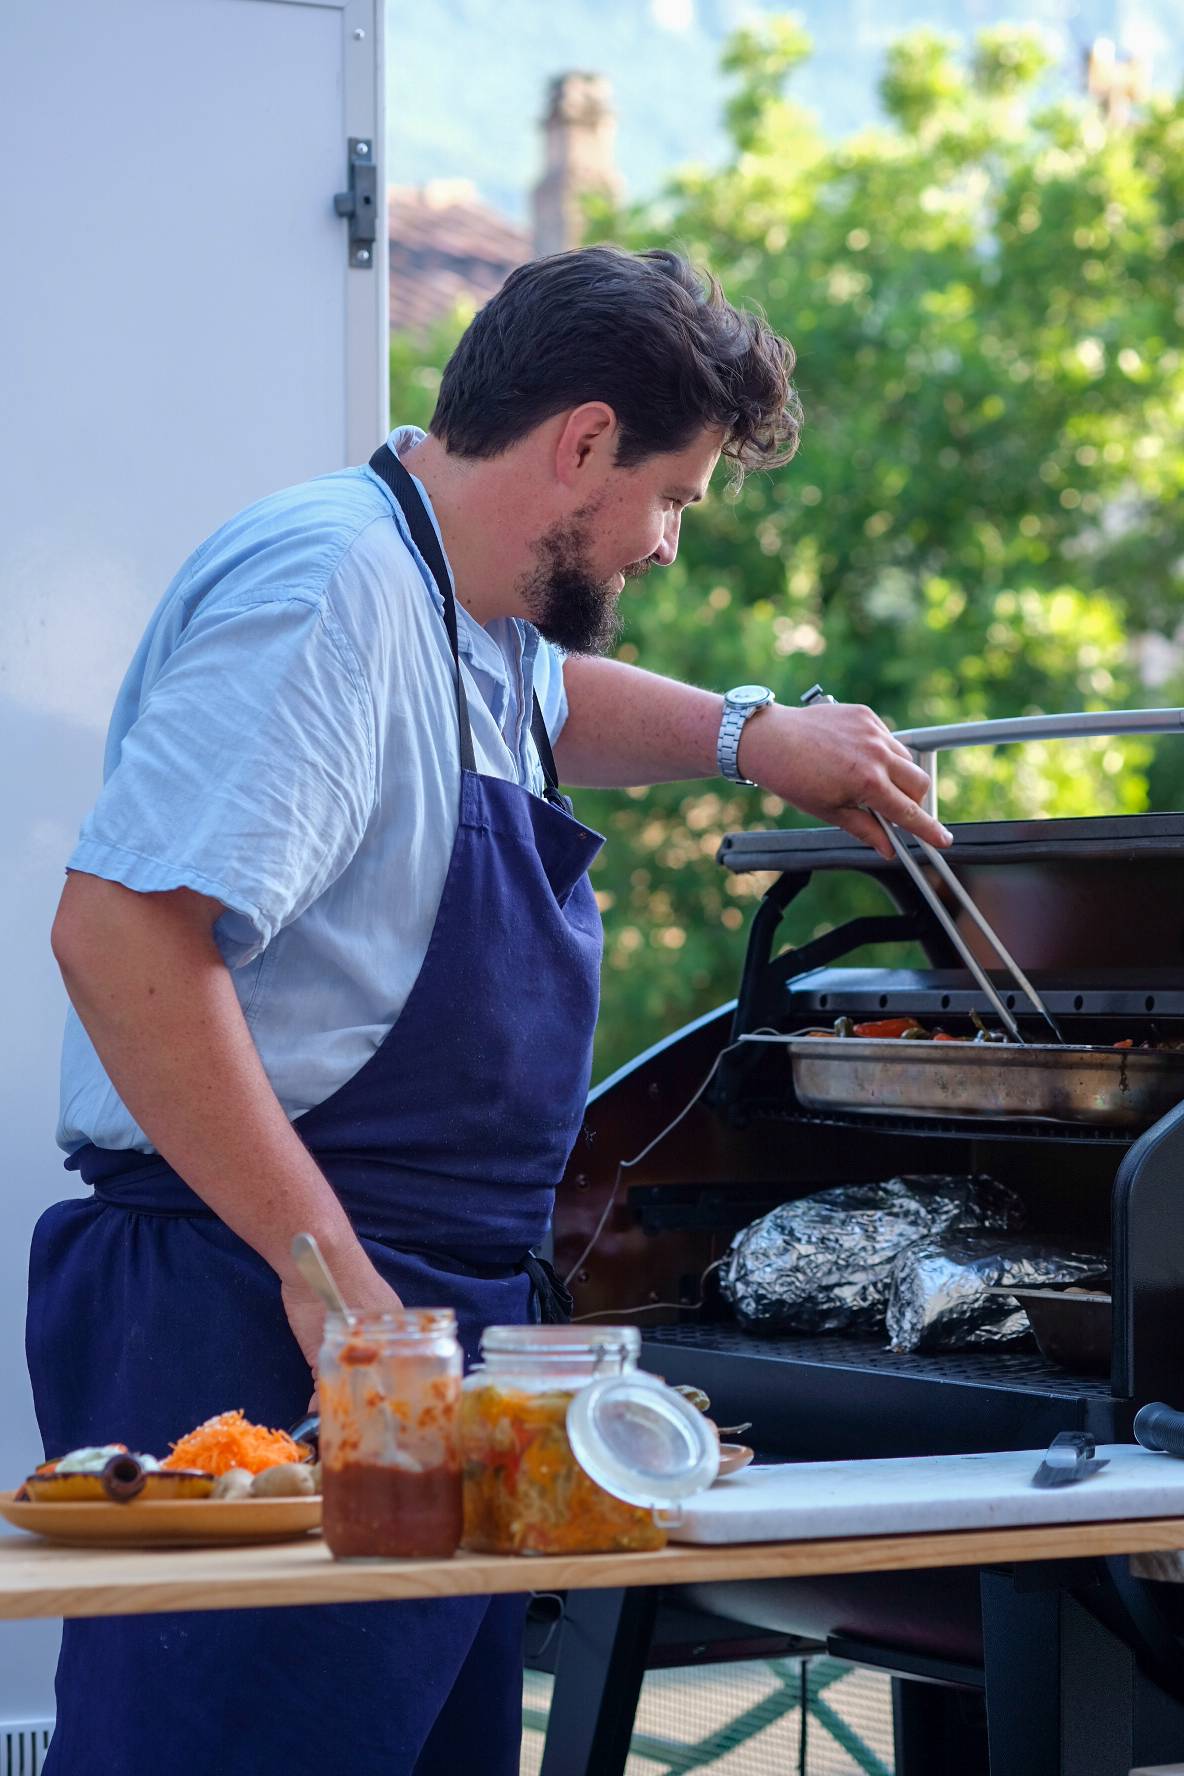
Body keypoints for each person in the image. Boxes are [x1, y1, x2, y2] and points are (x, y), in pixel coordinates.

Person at [30, 245, 950, 1773]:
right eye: (672, 495)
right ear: (582, 441)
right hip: (259, 1308)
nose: (666, 544)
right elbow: (118, 934)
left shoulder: (470, 606)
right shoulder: (324, 586)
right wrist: (323, 1273)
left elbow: (549, 705)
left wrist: (753, 735)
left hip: (410, 1329)